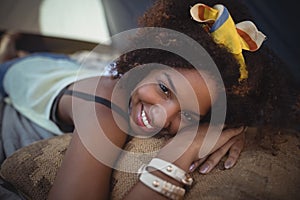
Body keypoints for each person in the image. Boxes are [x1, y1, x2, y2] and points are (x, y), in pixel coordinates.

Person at [0, 0, 298, 200]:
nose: (162, 118)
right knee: (14, 63)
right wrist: (187, 148)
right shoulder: (106, 111)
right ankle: (12, 53)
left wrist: (237, 126)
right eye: (166, 90)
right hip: (29, 75)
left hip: (72, 72)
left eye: (190, 116)